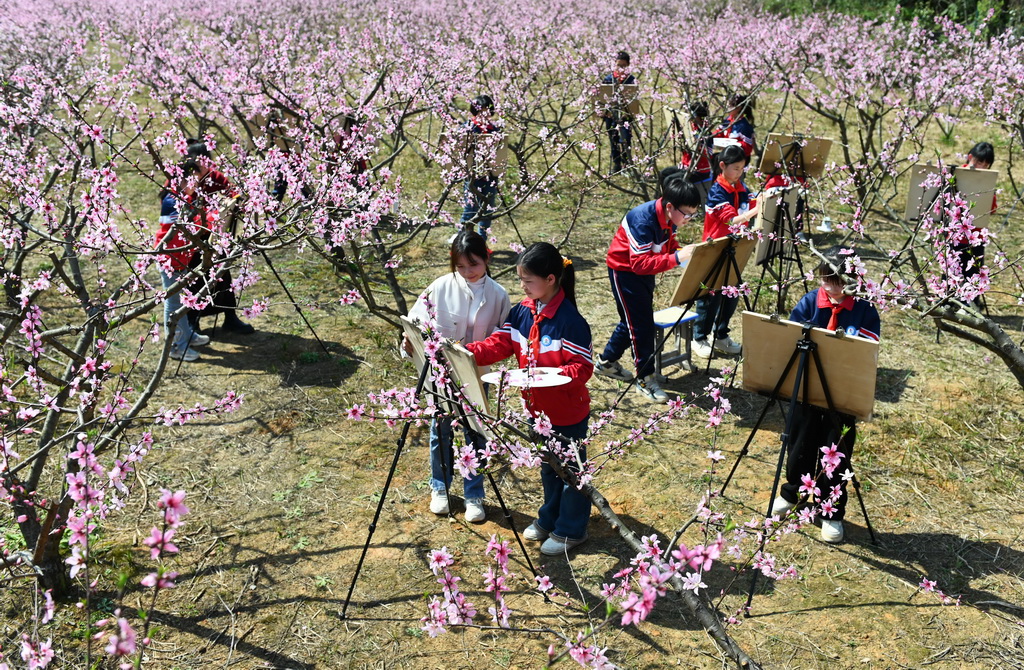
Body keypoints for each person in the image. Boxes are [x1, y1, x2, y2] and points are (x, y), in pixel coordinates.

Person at [466, 243, 594, 555]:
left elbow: (582, 368)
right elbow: (500, 344)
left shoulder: (570, 321)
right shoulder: (523, 311)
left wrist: (549, 377)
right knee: (548, 468)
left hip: (566, 413)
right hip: (536, 412)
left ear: (550, 279)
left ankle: (571, 529)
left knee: (571, 473)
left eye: (528, 280)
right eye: (521, 279)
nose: (522, 286)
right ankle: (550, 518)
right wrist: (466, 352)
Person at [771, 248, 880, 543]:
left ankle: (830, 511)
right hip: (807, 389)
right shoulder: (810, 302)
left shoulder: (865, 310)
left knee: (836, 452)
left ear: (854, 280)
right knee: (799, 444)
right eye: (826, 280)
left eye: (840, 281)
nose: (832, 288)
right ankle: (793, 493)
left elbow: (867, 351)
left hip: (842, 394)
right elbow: (791, 337)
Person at [405, 231, 511, 523]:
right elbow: (415, 320)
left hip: (477, 373)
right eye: (460, 266)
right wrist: (409, 339)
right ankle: (440, 487)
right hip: (440, 372)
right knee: (440, 428)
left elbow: (503, 336)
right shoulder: (441, 286)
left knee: (475, 432)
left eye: (473, 264)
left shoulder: (498, 295)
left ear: (487, 258)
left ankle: (474, 494)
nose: (467, 272)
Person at [594, 169, 701, 402]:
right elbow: (640, 264)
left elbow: (667, 243)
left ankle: (606, 362)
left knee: (633, 320)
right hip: (625, 272)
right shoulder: (643, 220)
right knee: (641, 326)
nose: (689, 219)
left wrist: (681, 252)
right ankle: (645, 378)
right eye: (687, 214)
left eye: (693, 214)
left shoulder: (669, 217)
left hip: (642, 272)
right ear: (670, 206)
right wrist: (677, 258)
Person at [691, 144, 760, 358]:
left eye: (742, 168)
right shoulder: (717, 191)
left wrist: (762, 200)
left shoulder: (740, 187)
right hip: (715, 247)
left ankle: (721, 335)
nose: (739, 172)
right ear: (722, 165)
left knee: (732, 293)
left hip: (734, 247)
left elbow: (751, 201)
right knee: (710, 295)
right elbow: (731, 220)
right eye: (736, 168)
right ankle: (699, 337)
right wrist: (754, 212)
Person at [954, 141, 996, 293]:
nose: (982, 168)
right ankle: (948, 301)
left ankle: (971, 302)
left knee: (974, 273)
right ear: (970, 157)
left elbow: (992, 209)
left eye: (986, 165)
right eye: (979, 162)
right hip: (955, 235)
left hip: (976, 235)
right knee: (952, 269)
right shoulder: (956, 175)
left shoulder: (988, 181)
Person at [460, 95, 501, 237]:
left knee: (488, 210)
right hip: (472, 176)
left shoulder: (494, 130)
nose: (485, 114)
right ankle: (463, 241)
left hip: (490, 176)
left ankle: (482, 242)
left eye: (488, 110)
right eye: (481, 110)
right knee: (470, 209)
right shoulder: (467, 127)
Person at [602, 51, 636, 173]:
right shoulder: (608, 79)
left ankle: (627, 163)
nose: (620, 68)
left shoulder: (630, 79)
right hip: (611, 115)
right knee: (613, 139)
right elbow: (602, 98)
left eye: (623, 66)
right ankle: (616, 164)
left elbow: (633, 100)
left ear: (628, 66)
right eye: (618, 65)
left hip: (625, 115)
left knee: (626, 139)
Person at [680, 100, 715, 204]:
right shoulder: (691, 128)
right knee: (665, 174)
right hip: (688, 166)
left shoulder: (706, 133)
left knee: (671, 180)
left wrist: (698, 147)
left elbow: (707, 155)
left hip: (700, 170)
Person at [716, 94, 756, 161]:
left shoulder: (744, 126)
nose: (727, 109)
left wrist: (733, 144)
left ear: (738, 107)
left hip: (739, 159)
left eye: (730, 106)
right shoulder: (727, 120)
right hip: (727, 155)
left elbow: (748, 147)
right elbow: (719, 133)